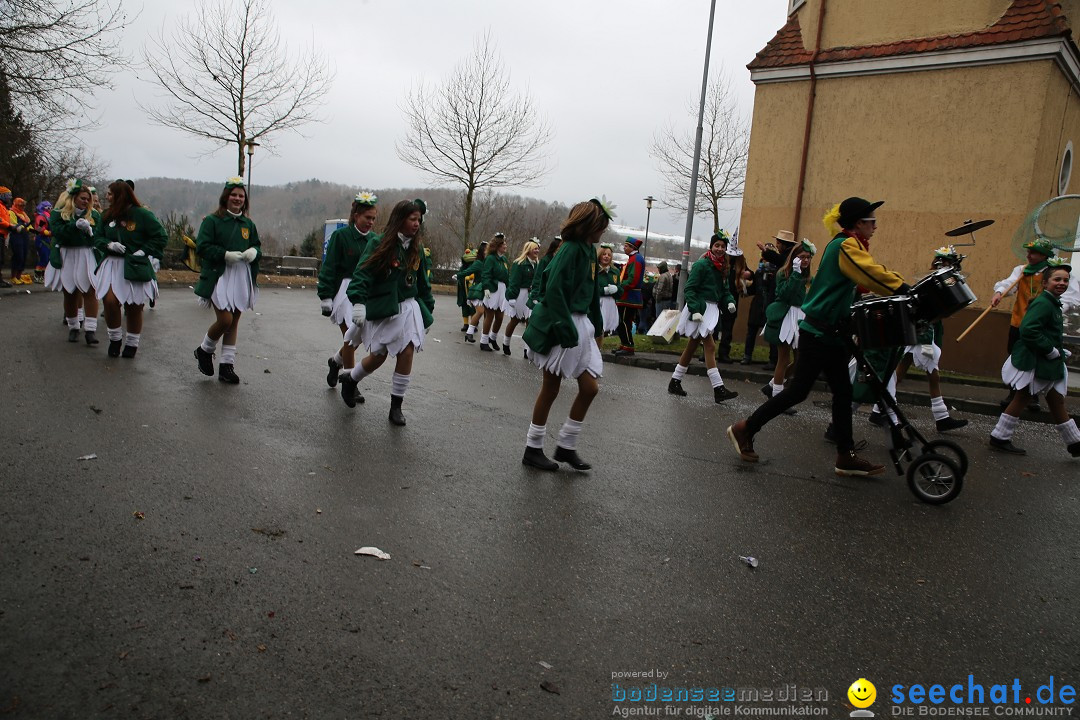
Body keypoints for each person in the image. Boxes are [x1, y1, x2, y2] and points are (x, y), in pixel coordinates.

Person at [727, 197, 911, 477]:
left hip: (832, 332)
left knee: (843, 392)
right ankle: (745, 428)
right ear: (858, 223)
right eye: (871, 221)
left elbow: (859, 282)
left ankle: (845, 454)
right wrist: (904, 287)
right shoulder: (845, 245)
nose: (875, 225)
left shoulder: (850, 245)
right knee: (798, 391)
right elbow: (870, 274)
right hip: (819, 332)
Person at [521, 198, 611, 471]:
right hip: (563, 324)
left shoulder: (586, 251)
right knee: (551, 388)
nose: (603, 232)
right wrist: (564, 329)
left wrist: (597, 328)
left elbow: (592, 295)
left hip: (581, 325)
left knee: (589, 387)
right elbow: (554, 290)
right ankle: (533, 448)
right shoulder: (570, 249)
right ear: (588, 225)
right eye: (601, 226)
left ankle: (566, 445)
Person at [338, 199, 435, 426]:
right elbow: (362, 274)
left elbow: (423, 284)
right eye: (412, 219)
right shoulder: (379, 244)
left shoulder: (417, 249)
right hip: (385, 308)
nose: (417, 224)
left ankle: (396, 406)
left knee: (407, 352)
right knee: (378, 356)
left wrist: (427, 311)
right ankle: (351, 380)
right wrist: (359, 302)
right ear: (400, 219)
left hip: (409, 309)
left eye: (419, 220)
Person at [990, 261, 1079, 457]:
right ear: (1045, 283)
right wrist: (1050, 351)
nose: (1062, 283)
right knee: (1023, 396)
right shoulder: (1044, 303)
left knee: (1056, 401)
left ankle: (1075, 442)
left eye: (1065, 280)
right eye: (1057, 279)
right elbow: (1028, 330)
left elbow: (1047, 332)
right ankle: (999, 437)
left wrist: (1059, 351)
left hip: (1046, 361)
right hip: (1037, 360)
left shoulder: (1052, 303)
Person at [991, 238, 1080, 411]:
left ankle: (1032, 396)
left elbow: (1071, 296)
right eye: (1029, 252)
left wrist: (1055, 311)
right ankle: (1014, 393)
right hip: (1019, 322)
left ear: (1044, 255)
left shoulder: (1055, 274)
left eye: (1033, 253)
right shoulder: (1022, 270)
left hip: (1042, 326)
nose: (1029, 256)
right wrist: (999, 293)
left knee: (1037, 360)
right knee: (1016, 358)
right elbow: (1009, 284)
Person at [889, 247, 969, 432]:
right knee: (933, 374)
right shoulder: (934, 283)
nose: (949, 266)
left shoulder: (942, 282)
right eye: (947, 262)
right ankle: (942, 418)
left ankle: (879, 409)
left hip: (925, 332)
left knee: (899, 373)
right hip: (923, 335)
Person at [192, 177, 261, 384]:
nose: (237, 198)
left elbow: (257, 245)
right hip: (219, 274)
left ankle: (226, 365)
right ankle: (204, 349)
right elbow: (202, 246)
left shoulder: (248, 224)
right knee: (225, 319)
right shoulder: (212, 221)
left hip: (241, 275)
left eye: (241, 195)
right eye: (234, 195)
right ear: (226, 197)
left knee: (235, 321)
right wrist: (224, 254)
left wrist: (253, 252)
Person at [94, 180, 167, 358]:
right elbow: (97, 238)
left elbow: (160, 236)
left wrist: (144, 250)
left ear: (120, 195)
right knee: (110, 302)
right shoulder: (106, 215)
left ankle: (132, 343)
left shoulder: (142, 214)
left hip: (134, 264)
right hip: (112, 264)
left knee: (134, 306)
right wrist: (109, 244)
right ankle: (115, 339)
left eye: (110, 193)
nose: (106, 196)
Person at [666, 233, 739, 402]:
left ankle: (675, 381)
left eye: (723, 246)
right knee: (710, 346)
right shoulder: (702, 264)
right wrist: (694, 309)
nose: (720, 249)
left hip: (712, 310)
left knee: (692, 346)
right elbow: (690, 289)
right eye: (717, 245)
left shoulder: (724, 267)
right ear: (711, 246)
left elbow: (725, 291)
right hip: (699, 308)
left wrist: (729, 301)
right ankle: (718, 388)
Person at [319, 191, 378, 389]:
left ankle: (336, 361)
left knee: (357, 338)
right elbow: (330, 267)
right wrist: (326, 295)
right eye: (367, 217)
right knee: (350, 338)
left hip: (366, 293)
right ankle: (350, 384)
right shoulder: (340, 236)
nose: (371, 222)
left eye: (373, 218)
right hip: (345, 292)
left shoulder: (375, 241)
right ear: (356, 216)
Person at [762, 239, 816, 412]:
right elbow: (784, 295)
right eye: (802, 257)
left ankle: (772, 385)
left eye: (808, 257)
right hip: (785, 316)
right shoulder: (783, 273)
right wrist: (794, 273)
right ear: (794, 257)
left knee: (801, 359)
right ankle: (778, 398)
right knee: (783, 359)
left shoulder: (808, 277)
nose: (805, 260)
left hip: (801, 318)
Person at [45, 179, 102, 344]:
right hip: (67, 254)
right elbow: (58, 233)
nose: (86, 202)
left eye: (88, 199)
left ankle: (90, 330)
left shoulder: (94, 215)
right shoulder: (58, 213)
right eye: (83, 198)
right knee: (70, 292)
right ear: (74, 197)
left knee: (90, 291)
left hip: (86, 254)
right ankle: (73, 327)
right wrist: (74, 226)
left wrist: (90, 232)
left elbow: (98, 237)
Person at [501, 238, 540, 356]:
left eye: (538, 249)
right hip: (519, 294)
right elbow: (514, 281)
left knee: (530, 321)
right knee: (515, 320)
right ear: (528, 250)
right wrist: (512, 297)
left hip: (531, 294)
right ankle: (506, 343)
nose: (537, 251)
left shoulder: (537, 264)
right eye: (535, 249)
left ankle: (527, 349)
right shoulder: (519, 263)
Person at [716, 236, 751, 363]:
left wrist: (748, 274)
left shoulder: (740, 263)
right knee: (713, 327)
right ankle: (707, 352)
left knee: (727, 328)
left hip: (732, 301)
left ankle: (724, 353)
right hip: (717, 298)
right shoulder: (720, 262)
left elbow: (749, 272)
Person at [742, 250, 778, 365]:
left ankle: (773, 360)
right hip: (757, 307)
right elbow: (753, 289)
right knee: (751, 332)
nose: (765, 262)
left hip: (770, 306)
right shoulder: (758, 272)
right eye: (764, 259)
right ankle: (747, 356)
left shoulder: (777, 273)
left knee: (772, 334)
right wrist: (744, 288)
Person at [479, 233, 511, 352]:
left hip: (502, 289)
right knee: (490, 315)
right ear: (497, 246)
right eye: (503, 244)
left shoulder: (504, 259)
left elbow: (507, 276)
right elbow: (486, 274)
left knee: (500, 316)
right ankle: (483, 341)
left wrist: (509, 289)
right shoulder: (491, 258)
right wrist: (486, 287)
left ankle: (493, 337)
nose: (505, 246)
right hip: (492, 289)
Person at [614, 236, 645, 356]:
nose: (624, 247)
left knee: (625, 321)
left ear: (632, 247)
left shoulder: (636, 259)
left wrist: (620, 285)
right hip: (627, 296)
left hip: (629, 296)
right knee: (623, 320)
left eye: (626, 246)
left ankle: (628, 346)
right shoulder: (633, 258)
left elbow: (633, 280)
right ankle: (624, 343)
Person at [462, 240, 490, 343]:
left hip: (488, 291)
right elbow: (468, 271)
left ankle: (484, 337)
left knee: (488, 315)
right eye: (487, 249)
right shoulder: (478, 263)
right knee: (480, 311)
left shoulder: (489, 262)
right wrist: (459, 275)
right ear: (483, 251)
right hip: (478, 290)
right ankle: (469, 332)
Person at [596, 243, 620, 341]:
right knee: (597, 328)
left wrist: (617, 290)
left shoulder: (615, 271)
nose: (606, 257)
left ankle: (599, 350)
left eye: (609, 255)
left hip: (610, 304)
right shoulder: (594, 269)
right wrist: (603, 290)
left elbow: (620, 289)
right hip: (598, 302)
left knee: (604, 331)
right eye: (604, 254)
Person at [7, 198, 33, 284]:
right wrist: (23, 227)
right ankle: (13, 276)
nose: (23, 207)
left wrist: (34, 231)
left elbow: (29, 225)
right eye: (21, 205)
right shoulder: (12, 212)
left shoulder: (24, 214)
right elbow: (13, 223)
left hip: (24, 236)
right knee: (18, 255)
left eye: (23, 206)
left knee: (24, 255)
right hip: (16, 236)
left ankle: (19, 276)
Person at [455, 248, 477, 331]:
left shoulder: (475, 265)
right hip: (463, 290)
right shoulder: (463, 267)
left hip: (472, 290)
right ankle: (465, 324)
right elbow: (461, 274)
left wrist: (471, 277)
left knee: (472, 308)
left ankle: (473, 324)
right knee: (464, 307)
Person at [33, 201, 52, 283]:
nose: (50, 209)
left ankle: (44, 276)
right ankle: (38, 276)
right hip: (41, 238)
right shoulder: (41, 216)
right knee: (44, 257)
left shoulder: (47, 216)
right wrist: (46, 232)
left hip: (46, 238)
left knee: (47, 257)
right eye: (49, 208)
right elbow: (40, 228)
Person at [0, 187, 12, 288]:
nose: (9, 198)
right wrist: (10, 226)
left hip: (3, 234)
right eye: (8, 196)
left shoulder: (3, 207)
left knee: (1, 258)